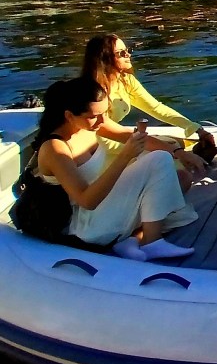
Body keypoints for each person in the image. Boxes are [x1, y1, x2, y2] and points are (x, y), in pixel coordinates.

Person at [32, 77, 195, 261]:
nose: (102, 121)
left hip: (104, 207)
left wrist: (177, 151)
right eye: (94, 116)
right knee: (158, 162)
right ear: (69, 116)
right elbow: (87, 200)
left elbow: (131, 136)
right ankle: (151, 242)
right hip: (85, 225)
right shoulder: (55, 148)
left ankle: (135, 238)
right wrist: (125, 156)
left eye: (104, 113)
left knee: (167, 165)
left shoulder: (92, 124)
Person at [81, 34, 213, 188]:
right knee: (178, 169)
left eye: (128, 50)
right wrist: (175, 152)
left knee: (175, 142)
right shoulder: (93, 93)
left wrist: (196, 128)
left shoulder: (125, 80)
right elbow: (110, 136)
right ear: (104, 58)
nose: (128, 55)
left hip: (122, 138)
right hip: (106, 147)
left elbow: (156, 108)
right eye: (121, 53)